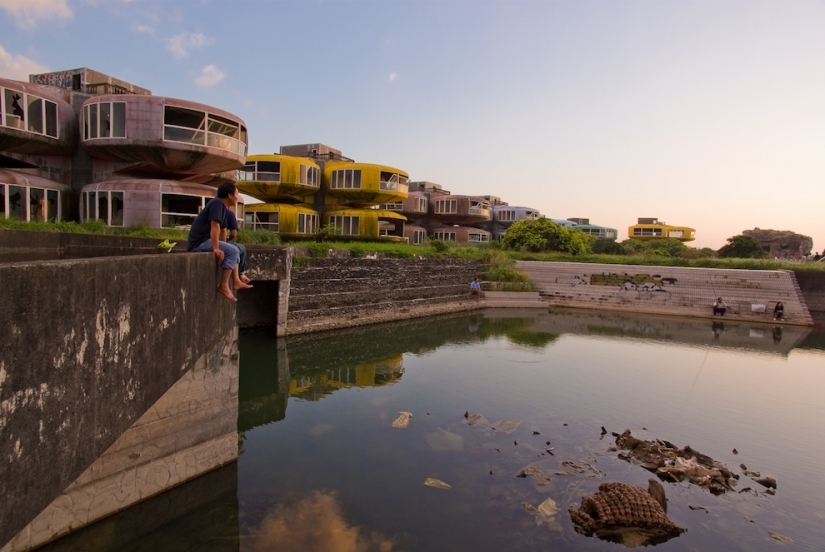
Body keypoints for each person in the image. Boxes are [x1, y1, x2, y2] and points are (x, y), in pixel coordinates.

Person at [187, 183, 252, 301]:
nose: (237, 197)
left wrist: (222, 245)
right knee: (232, 251)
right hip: (199, 242)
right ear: (230, 195)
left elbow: (221, 230)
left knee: (236, 249)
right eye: (236, 194)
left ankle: (236, 280)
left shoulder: (222, 207)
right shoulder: (217, 203)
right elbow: (215, 226)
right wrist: (216, 248)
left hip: (205, 240)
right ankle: (223, 285)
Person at [224, 208, 251, 284]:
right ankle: (240, 274)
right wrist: (228, 239)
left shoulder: (213, 212)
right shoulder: (229, 213)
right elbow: (233, 233)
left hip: (208, 239)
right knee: (238, 249)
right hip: (220, 240)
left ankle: (240, 275)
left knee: (239, 248)